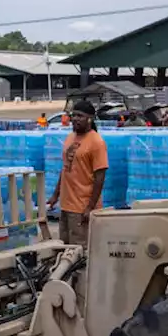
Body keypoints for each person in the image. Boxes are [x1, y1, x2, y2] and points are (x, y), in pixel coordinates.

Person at [47, 100, 108, 246]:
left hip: (82, 207)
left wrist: (90, 207)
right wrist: (55, 195)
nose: (75, 119)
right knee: (64, 247)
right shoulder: (70, 138)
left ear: (90, 119)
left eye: (80, 116)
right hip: (66, 206)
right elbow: (65, 168)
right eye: (73, 115)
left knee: (79, 251)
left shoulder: (96, 142)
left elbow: (100, 177)